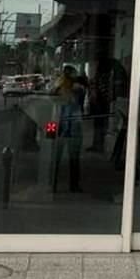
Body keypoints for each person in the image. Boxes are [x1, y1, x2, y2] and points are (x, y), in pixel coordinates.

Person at [52, 64, 87, 193]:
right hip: (68, 127)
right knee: (71, 158)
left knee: (64, 158)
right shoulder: (65, 87)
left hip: (68, 127)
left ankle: (56, 183)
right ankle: (70, 185)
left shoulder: (68, 88)